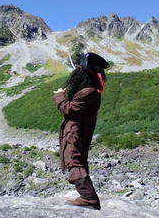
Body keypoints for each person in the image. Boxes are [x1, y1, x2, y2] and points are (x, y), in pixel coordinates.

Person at [53, 52, 110, 210]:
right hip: (79, 131)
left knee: (74, 159)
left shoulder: (88, 92)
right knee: (77, 159)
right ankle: (87, 195)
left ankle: (88, 198)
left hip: (76, 132)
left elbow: (69, 109)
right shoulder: (90, 90)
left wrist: (59, 96)